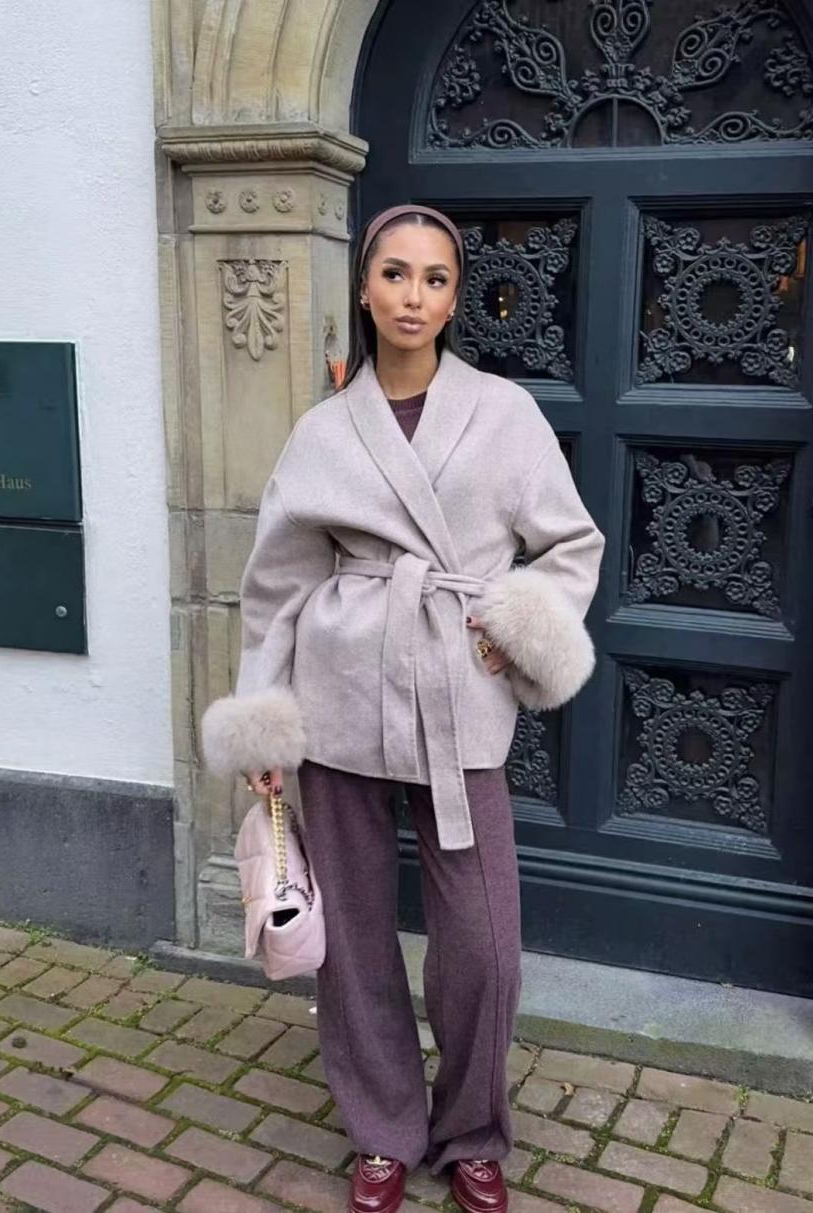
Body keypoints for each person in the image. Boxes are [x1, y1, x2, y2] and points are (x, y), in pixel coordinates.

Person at [201, 203, 604, 1213]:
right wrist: (264, 720)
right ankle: (382, 1127)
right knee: (355, 932)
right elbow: (278, 585)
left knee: (484, 943)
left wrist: (514, 625)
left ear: (455, 297)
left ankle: (472, 1129)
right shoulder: (322, 431)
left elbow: (572, 545)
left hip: (457, 696)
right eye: (394, 274)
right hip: (339, 693)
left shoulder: (505, 414)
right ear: (365, 288)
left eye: (434, 278)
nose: (412, 296)